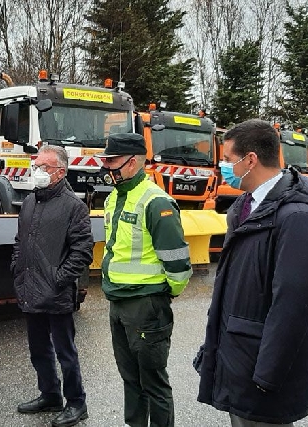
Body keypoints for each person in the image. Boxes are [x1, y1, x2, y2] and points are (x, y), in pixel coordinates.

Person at [196, 119, 308, 426]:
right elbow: (229, 290)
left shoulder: (297, 218)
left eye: (227, 159)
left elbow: (292, 307)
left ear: (250, 159)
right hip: (239, 362)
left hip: (260, 374)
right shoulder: (243, 208)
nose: (224, 167)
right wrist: (212, 348)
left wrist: (268, 374)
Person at [96, 133, 192, 427]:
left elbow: (177, 263)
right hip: (119, 302)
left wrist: (164, 295)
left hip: (147, 305)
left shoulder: (157, 202)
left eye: (112, 161)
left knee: (153, 383)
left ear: (133, 162)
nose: (107, 167)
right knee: (130, 379)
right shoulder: (115, 197)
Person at [12, 145, 93, 427]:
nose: (37, 172)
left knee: (65, 352)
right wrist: (17, 267)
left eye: (43, 167)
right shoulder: (30, 201)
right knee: (38, 350)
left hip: (56, 294)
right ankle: (49, 395)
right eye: (36, 166)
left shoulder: (74, 207)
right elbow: (21, 241)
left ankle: (76, 402)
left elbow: (82, 251)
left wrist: (58, 279)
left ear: (60, 172)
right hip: (30, 289)